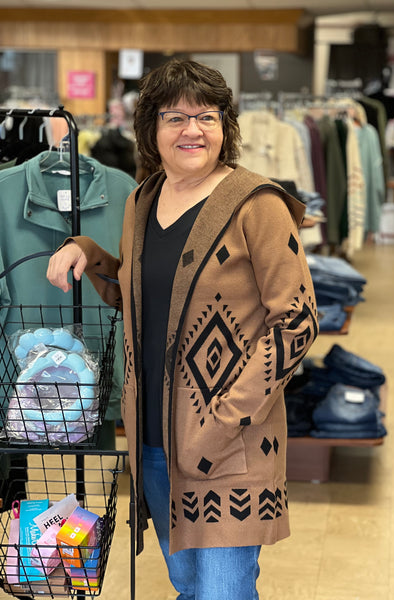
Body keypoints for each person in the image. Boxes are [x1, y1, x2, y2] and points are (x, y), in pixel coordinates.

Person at [47, 59, 319, 600]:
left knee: (222, 592)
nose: (192, 130)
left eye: (207, 116)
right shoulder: (142, 201)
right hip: (153, 439)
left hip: (229, 444)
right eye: (174, 117)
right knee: (190, 586)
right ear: (150, 130)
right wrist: (89, 252)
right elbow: (143, 302)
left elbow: (297, 321)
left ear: (225, 127)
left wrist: (224, 418)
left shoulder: (256, 204)